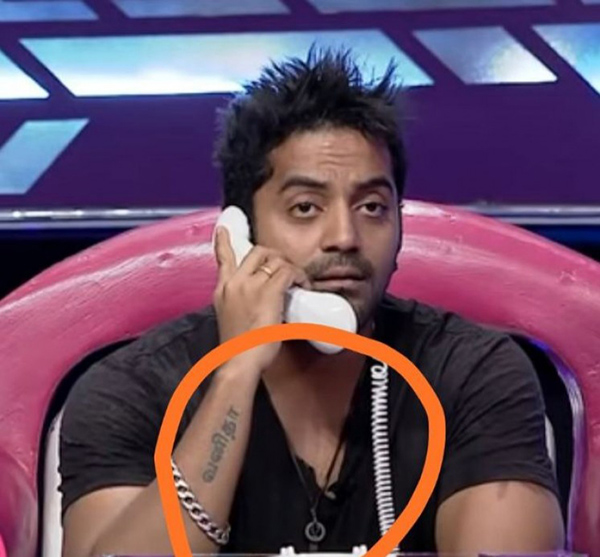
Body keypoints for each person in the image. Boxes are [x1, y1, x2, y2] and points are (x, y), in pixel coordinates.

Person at [59, 48, 564, 557]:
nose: (345, 236)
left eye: (373, 207)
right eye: (305, 207)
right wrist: (236, 370)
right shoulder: (130, 389)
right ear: (238, 233)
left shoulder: (473, 373)